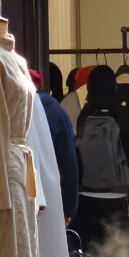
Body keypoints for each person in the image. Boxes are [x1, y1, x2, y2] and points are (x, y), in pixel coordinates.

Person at [70, 65, 129, 257]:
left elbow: (78, 153)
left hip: (86, 202)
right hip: (116, 202)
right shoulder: (123, 116)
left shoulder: (83, 117)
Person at [37, 65, 80, 227]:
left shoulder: (8, 106)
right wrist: (69, 207)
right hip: (51, 194)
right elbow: (69, 162)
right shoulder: (57, 111)